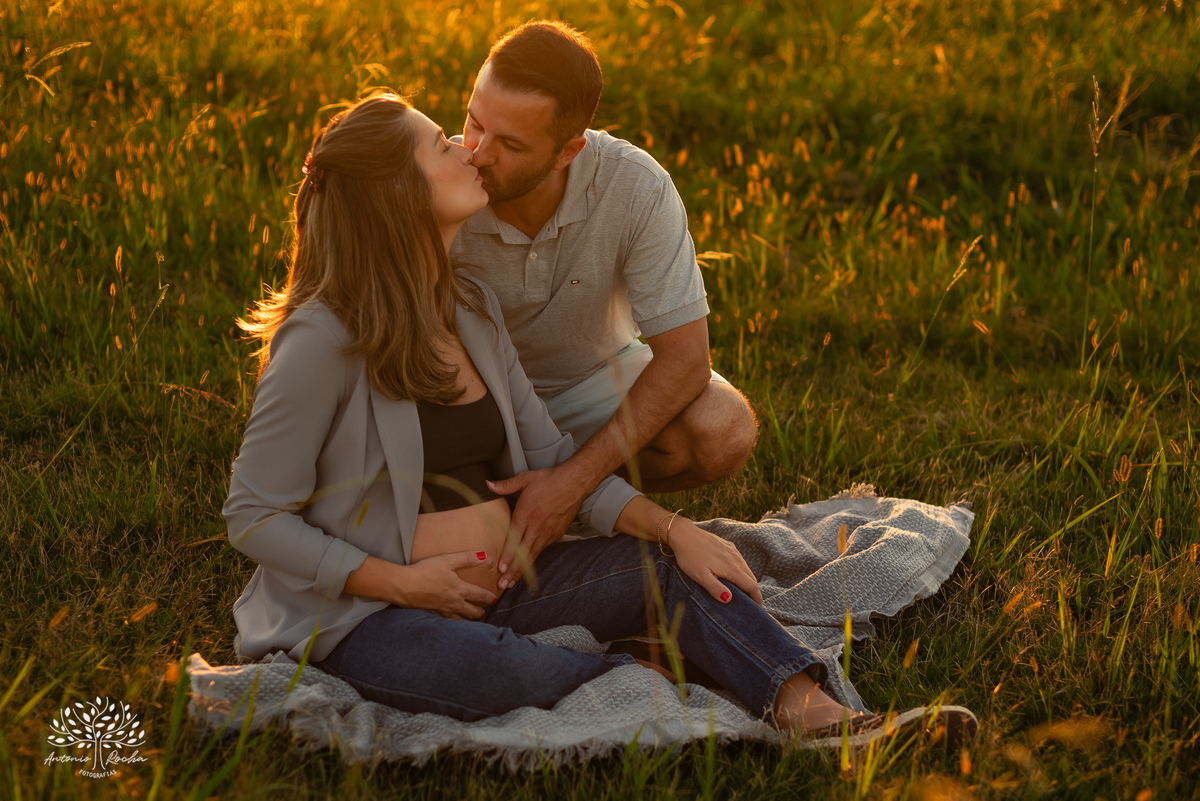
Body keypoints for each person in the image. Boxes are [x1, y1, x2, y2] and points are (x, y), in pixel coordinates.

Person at [223, 94, 976, 748]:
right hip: (373, 614)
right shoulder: (320, 338)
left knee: (676, 571)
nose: (461, 145)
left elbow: (555, 462)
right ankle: (650, 670)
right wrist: (405, 584)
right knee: (508, 671)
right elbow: (255, 516)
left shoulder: (473, 312)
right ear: (396, 194)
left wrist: (676, 530)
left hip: (516, 580)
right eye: (438, 142)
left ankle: (826, 719)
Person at [450, 22, 759, 591]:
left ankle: (570, 504)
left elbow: (686, 360)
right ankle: (560, 509)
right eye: (473, 122)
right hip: (478, 403)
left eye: (512, 144)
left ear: (569, 150)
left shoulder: (634, 185)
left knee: (723, 426)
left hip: (592, 380)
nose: (478, 153)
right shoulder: (442, 184)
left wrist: (570, 482)